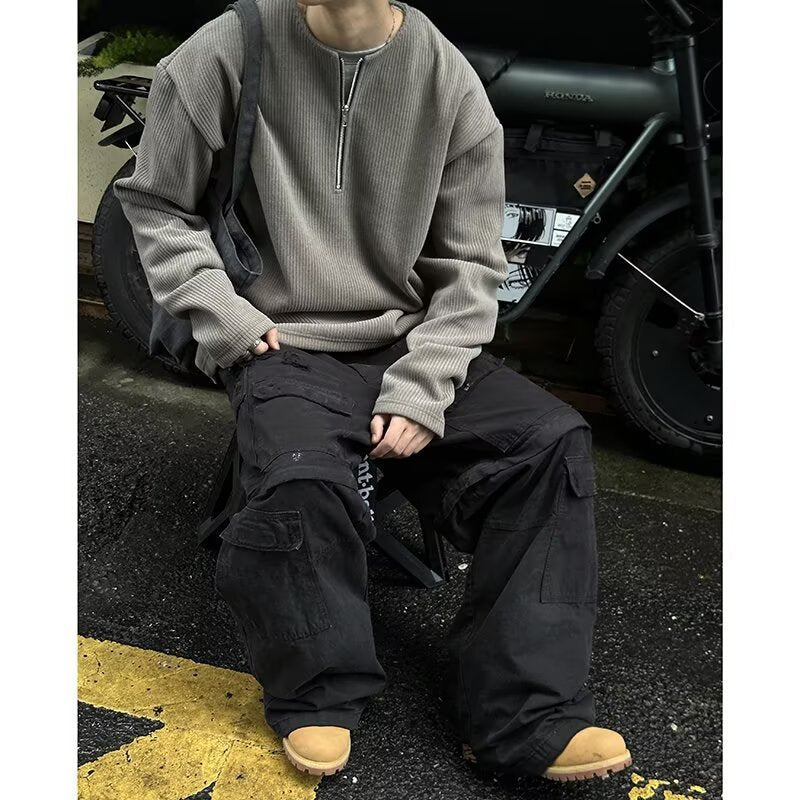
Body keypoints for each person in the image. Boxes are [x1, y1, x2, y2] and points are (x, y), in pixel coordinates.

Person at [113, 0, 632, 783]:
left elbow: (472, 263)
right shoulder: (227, 48)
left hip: (408, 335)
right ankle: (317, 689)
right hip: (282, 337)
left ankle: (524, 716)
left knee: (548, 445)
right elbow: (157, 202)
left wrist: (423, 386)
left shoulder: (445, 78)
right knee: (303, 473)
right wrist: (226, 315)